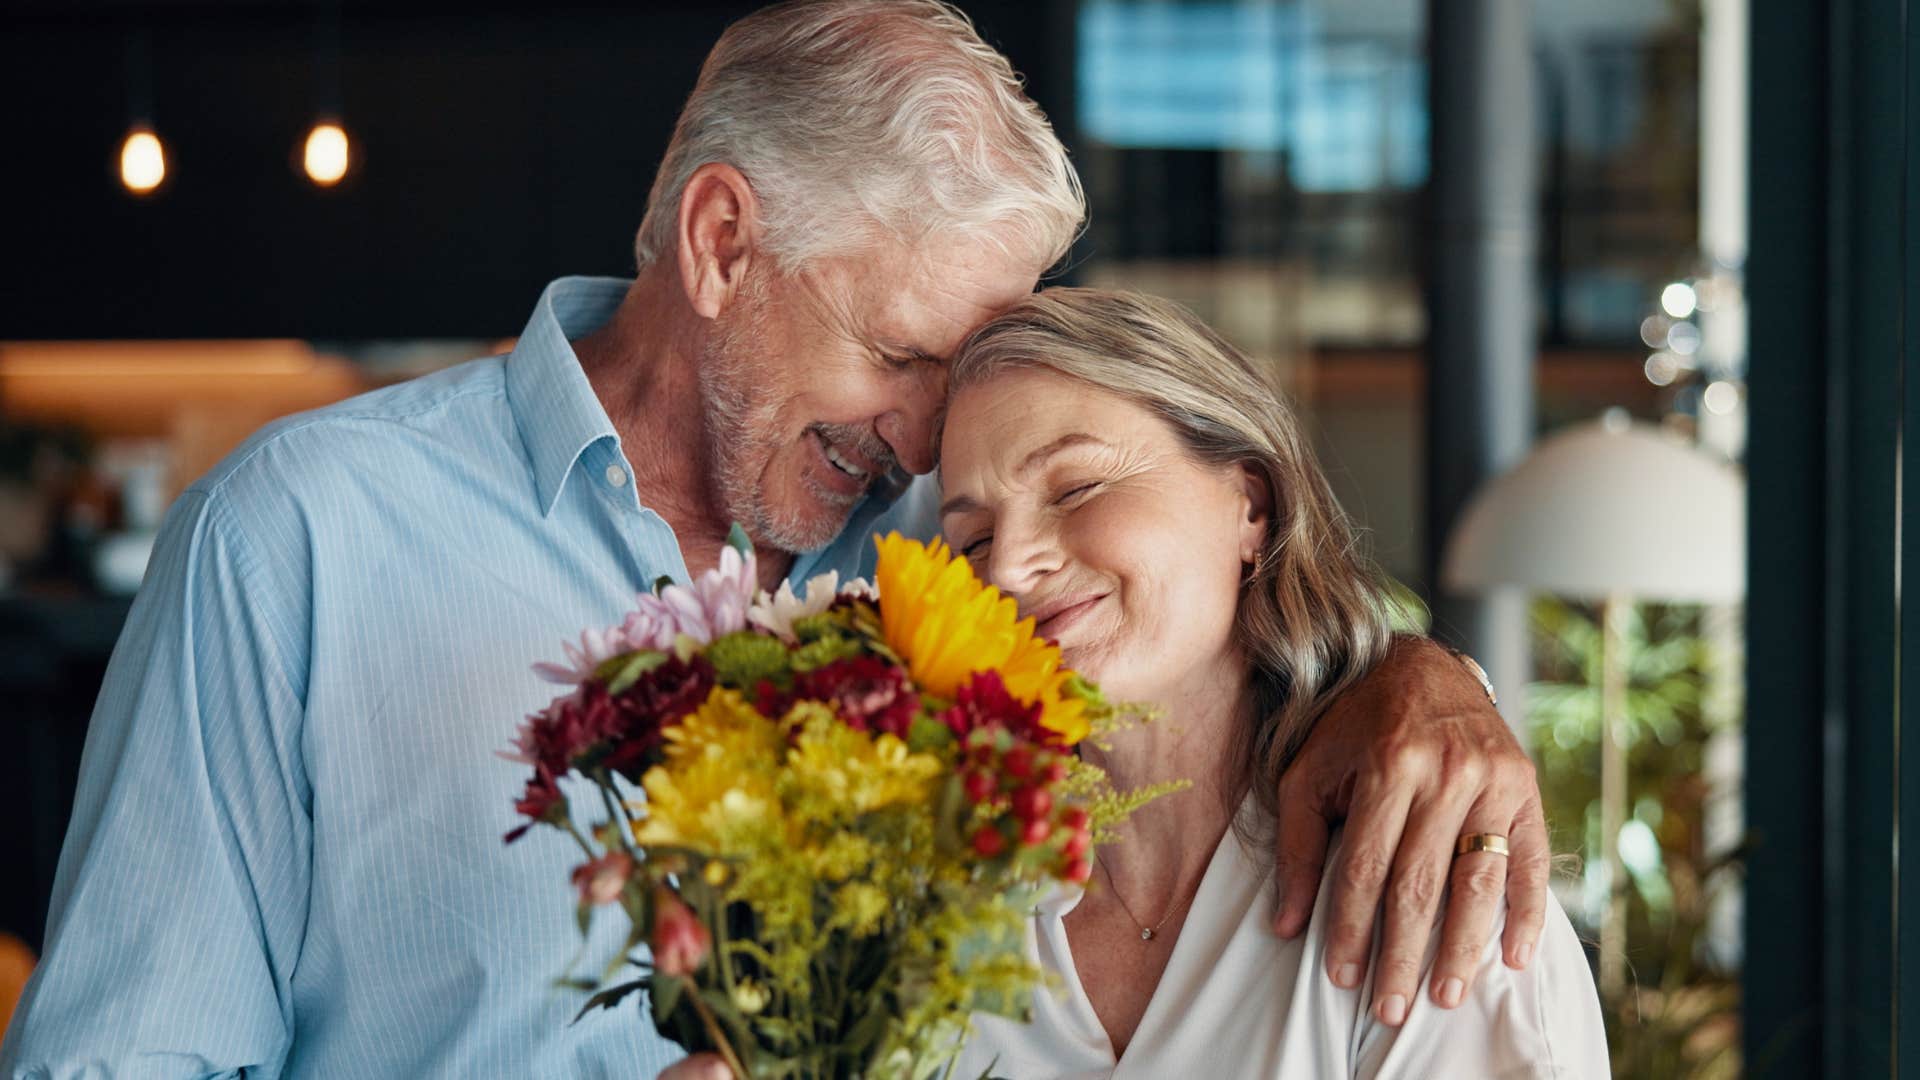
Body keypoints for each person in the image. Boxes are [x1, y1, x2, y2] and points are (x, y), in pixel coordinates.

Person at [1, 3, 1547, 1077]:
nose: (949, 438)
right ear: (724, 241)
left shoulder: (944, 575)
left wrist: (1415, 677)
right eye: (905, 355)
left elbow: (1207, 629)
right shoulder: (300, 543)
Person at [935, 288, 1605, 1078]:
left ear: (1250, 503)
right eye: (972, 539)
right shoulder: (927, 886)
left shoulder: (1425, 879)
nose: (1010, 564)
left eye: (1076, 487)